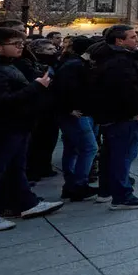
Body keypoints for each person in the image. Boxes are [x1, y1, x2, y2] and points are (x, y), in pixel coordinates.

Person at [0, 28, 64, 231]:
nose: (21, 48)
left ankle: (27, 203)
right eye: (16, 44)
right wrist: (36, 87)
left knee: (16, 168)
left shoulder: (6, 65)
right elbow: (0, 102)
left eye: (22, 44)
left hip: (17, 125)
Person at [87, 25, 138, 209]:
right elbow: (126, 88)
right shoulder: (119, 60)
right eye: (133, 37)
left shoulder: (111, 56)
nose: (137, 40)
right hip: (124, 115)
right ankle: (122, 195)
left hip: (114, 113)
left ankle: (107, 190)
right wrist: (136, 110)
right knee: (123, 155)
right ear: (119, 41)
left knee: (111, 153)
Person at [51, 36, 99, 202]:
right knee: (89, 147)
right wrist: (69, 108)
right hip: (76, 113)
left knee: (72, 148)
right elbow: (61, 89)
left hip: (77, 111)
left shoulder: (75, 64)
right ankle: (79, 184)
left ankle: (71, 184)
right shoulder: (75, 65)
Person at [25, 37, 62, 181]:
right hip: (38, 108)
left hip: (51, 107)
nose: (53, 51)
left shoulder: (55, 64)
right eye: (48, 49)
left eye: (53, 48)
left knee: (49, 139)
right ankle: (33, 169)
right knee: (37, 140)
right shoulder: (33, 66)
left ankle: (44, 166)